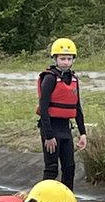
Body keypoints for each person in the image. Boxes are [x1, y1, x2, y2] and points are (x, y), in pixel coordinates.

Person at [36, 37, 87, 191]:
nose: (65, 62)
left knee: (69, 167)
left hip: (65, 129)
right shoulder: (50, 78)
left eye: (69, 59)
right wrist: (49, 136)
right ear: (55, 59)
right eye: (62, 58)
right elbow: (43, 109)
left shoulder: (73, 79)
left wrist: (82, 133)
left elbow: (77, 108)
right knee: (51, 168)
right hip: (50, 128)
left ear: (73, 60)